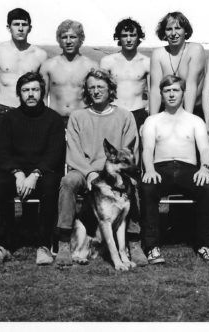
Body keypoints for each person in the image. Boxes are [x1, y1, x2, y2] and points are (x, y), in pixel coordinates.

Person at [54, 69, 147, 267]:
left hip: (115, 170)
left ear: (110, 89)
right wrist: (89, 173)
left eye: (100, 87)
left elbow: (131, 150)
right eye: (92, 87)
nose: (96, 91)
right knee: (68, 182)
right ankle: (64, 241)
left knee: (134, 184)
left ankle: (134, 240)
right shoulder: (77, 116)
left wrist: (118, 173)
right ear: (87, 91)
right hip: (85, 170)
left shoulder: (125, 116)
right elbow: (73, 152)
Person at [0, 72, 66, 267]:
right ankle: (4, 245)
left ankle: (43, 245)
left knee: (50, 185)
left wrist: (35, 174)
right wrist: (18, 173)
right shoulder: (9, 118)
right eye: (25, 90)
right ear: (19, 94)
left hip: (43, 174)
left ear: (42, 93)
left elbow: (55, 154)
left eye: (35, 90)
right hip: (17, 174)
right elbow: (3, 152)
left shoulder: (53, 119)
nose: (30, 94)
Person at [140, 75, 209, 265]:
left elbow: (204, 149)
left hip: (188, 168)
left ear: (183, 93)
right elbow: (148, 149)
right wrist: (149, 170)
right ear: (161, 94)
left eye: (175, 90)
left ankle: (207, 246)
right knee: (147, 189)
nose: (171, 94)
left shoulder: (195, 121)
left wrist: (205, 168)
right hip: (160, 167)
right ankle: (152, 247)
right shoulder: (153, 120)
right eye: (167, 91)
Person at [0, 8, 48, 129]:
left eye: (24, 25)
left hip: (30, 111)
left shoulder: (40, 55)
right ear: (9, 27)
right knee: (1, 147)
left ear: (30, 28)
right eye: (16, 24)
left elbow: (43, 91)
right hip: (3, 109)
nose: (20, 28)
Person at [149, 11, 207, 119]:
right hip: (166, 111)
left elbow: (191, 86)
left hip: (192, 111)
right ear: (164, 33)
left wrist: (188, 120)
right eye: (169, 29)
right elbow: (155, 90)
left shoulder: (195, 50)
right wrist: (151, 120)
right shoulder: (158, 54)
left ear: (185, 31)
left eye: (178, 28)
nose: (173, 33)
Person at [40, 20, 98, 124]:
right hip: (54, 120)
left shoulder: (91, 66)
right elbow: (42, 98)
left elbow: (96, 97)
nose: (68, 41)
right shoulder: (48, 66)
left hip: (82, 120)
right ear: (59, 41)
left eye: (73, 37)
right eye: (64, 37)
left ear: (81, 39)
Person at [100, 18, 150, 130]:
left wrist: (149, 119)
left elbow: (153, 92)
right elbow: (101, 91)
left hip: (138, 114)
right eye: (124, 35)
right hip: (113, 112)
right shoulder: (107, 62)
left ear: (138, 37)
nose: (128, 39)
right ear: (118, 38)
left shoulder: (147, 63)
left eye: (132, 35)